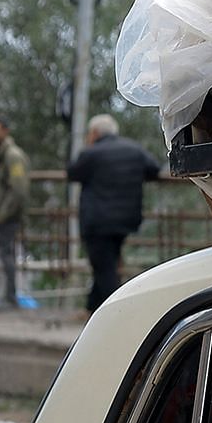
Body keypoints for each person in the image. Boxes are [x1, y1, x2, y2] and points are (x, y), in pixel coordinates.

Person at [66, 115, 161, 312]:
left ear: (94, 133)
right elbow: (154, 169)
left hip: (97, 221)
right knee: (105, 263)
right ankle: (91, 309)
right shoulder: (134, 150)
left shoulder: (91, 154)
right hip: (125, 220)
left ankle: (118, 312)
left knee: (104, 268)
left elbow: (72, 172)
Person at [0, 116, 27, 308]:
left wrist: (2, 214)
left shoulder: (13, 156)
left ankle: (10, 297)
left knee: (6, 254)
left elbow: (18, 190)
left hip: (6, 217)